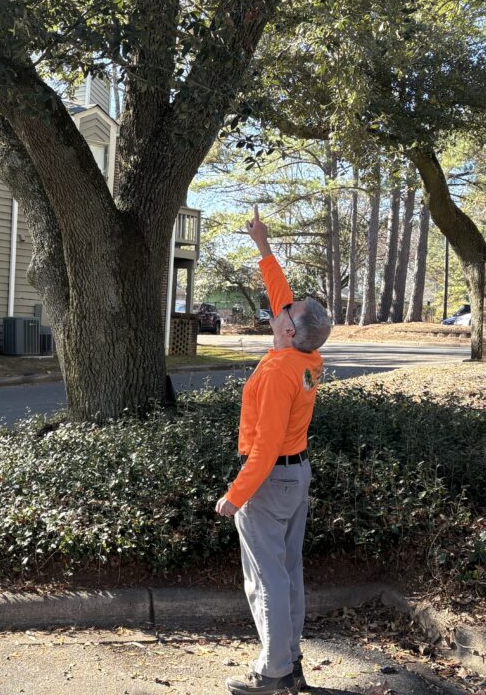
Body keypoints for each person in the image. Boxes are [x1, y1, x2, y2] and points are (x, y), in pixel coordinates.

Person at [215, 206, 332, 695]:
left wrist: (236, 495)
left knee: (266, 580)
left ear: (287, 329)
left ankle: (273, 674)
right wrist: (263, 246)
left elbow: (263, 446)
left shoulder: (277, 372)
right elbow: (283, 299)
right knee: (288, 572)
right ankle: (291, 662)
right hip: (296, 477)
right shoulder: (304, 355)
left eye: (285, 309)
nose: (279, 305)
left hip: (269, 482)